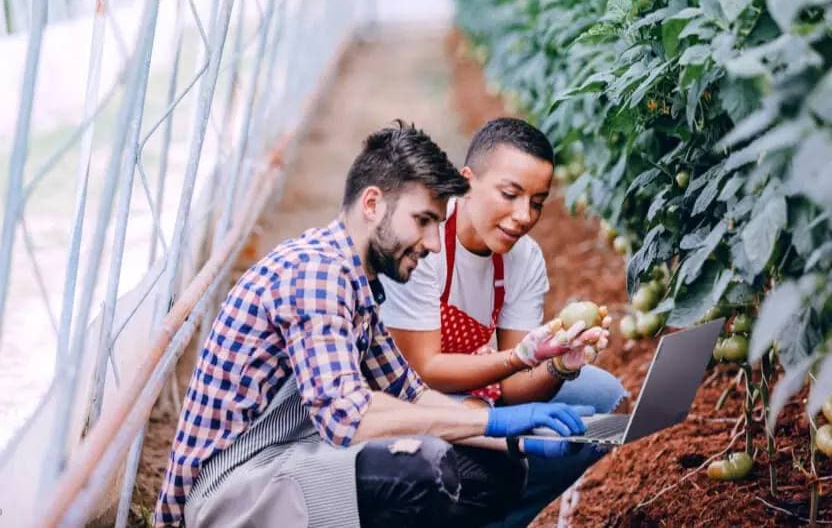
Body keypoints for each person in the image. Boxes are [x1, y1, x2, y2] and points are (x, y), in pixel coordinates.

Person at [154, 120, 607, 528]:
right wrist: (494, 423)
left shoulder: (359, 286)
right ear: (373, 204)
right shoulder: (317, 274)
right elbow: (348, 418)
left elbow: (411, 392)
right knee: (419, 469)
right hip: (229, 489)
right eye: (424, 221)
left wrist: (515, 440)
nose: (433, 242)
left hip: (282, 460)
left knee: (493, 468)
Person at [379, 117, 629, 527]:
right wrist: (519, 357)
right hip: (412, 391)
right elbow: (423, 371)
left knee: (604, 399)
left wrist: (559, 365)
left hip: (482, 371)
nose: (523, 215)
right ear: (466, 182)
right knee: (491, 427)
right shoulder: (425, 243)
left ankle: (504, 516)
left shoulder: (523, 259)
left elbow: (514, 391)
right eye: (509, 194)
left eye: (536, 201)